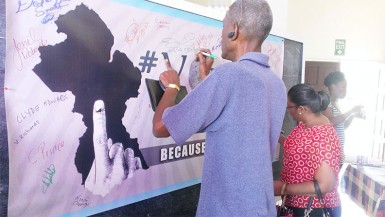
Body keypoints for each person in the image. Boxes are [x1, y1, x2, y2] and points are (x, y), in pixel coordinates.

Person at [152, 0, 287, 216]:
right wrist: (206, 81)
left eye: (223, 26)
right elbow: (230, 118)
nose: (221, 35)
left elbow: (160, 127)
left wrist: (173, 86)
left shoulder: (228, 76)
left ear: (234, 29)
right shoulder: (276, 84)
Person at [275, 84, 342, 217]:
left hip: (313, 208)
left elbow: (325, 185)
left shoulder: (323, 136)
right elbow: (294, 146)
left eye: (289, 107)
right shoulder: (304, 126)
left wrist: (283, 188)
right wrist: (274, 134)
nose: (287, 110)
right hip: (295, 203)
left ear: (301, 109)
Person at [323, 71, 364, 165]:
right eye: (343, 87)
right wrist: (351, 111)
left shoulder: (335, 104)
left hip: (337, 156)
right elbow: (329, 123)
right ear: (333, 87)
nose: (345, 90)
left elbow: (340, 127)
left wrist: (352, 116)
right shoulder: (327, 104)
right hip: (330, 156)